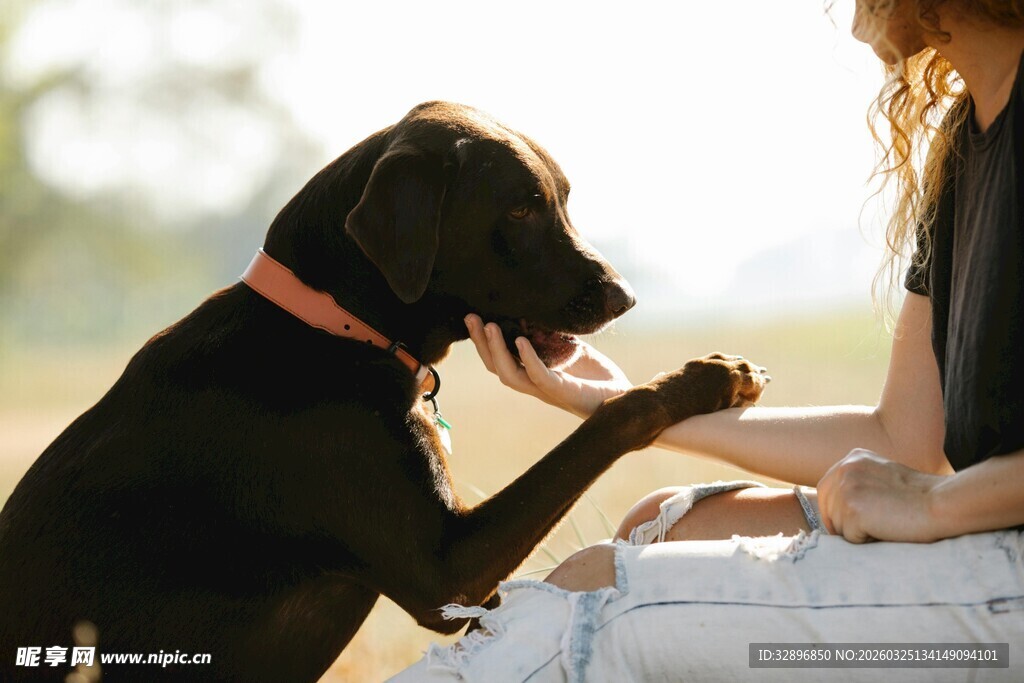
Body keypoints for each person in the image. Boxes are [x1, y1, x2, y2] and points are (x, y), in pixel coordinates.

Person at [392, 2, 1024, 680]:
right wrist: (628, 406)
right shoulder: (964, 143)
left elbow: (920, 479)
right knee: (654, 525)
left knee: (602, 598)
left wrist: (932, 506)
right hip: (983, 551)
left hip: (1000, 623)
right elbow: (903, 439)